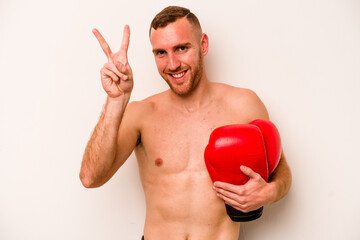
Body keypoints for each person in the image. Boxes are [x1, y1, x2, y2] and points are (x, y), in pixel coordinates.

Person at [80, 6, 292, 240]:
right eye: (161, 53)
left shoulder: (243, 104)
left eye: (181, 48)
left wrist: (269, 192)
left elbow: (280, 170)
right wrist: (116, 100)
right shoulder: (141, 113)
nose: (172, 64)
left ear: (203, 45)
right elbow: (91, 177)